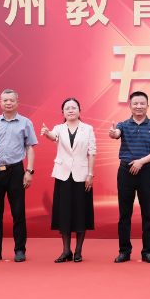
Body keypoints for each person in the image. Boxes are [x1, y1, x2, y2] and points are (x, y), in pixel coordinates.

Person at [0, 89, 37, 263]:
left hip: (15, 171)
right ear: (0, 103)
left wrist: (29, 171)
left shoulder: (25, 122)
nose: (8, 103)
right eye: (5, 100)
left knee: (18, 212)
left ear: (17, 102)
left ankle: (20, 250)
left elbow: (30, 147)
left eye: (11, 100)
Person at [108, 91, 150, 264]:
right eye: (135, 103)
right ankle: (124, 251)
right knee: (124, 214)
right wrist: (113, 133)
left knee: (148, 214)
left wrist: (140, 162)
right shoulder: (123, 125)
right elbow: (116, 133)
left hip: (146, 172)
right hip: (125, 173)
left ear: (148, 106)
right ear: (130, 106)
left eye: (142, 103)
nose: (139, 106)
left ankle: (148, 252)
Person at [42, 98, 96, 263]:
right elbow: (53, 137)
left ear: (79, 111)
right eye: (67, 108)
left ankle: (78, 251)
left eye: (74, 107)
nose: (71, 110)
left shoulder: (88, 129)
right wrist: (47, 133)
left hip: (82, 176)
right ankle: (66, 251)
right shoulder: (59, 128)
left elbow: (92, 152)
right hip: (63, 175)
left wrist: (90, 174)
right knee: (64, 213)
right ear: (63, 112)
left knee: (80, 213)